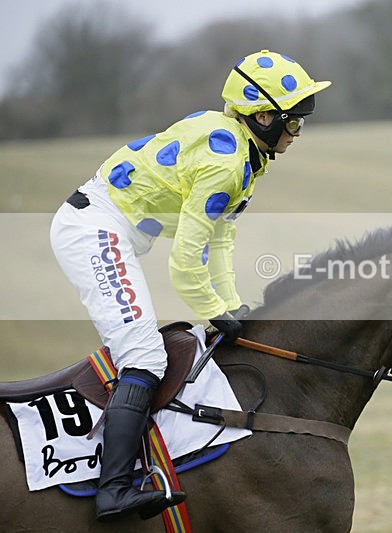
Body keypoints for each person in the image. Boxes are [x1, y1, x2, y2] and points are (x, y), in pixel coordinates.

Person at [49, 50, 330, 522]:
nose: (296, 134)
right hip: (94, 230)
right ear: (263, 116)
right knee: (144, 356)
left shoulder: (244, 153)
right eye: (294, 123)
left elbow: (219, 240)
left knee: (151, 350)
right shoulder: (226, 163)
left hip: (110, 229)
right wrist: (216, 311)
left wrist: (233, 305)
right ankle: (114, 489)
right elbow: (186, 261)